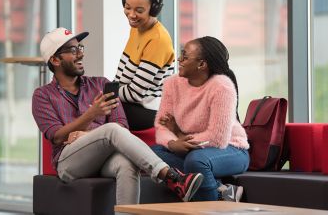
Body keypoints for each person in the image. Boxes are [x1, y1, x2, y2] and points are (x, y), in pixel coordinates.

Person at [31, 27, 203, 205]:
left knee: (127, 164)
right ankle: (170, 176)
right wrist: (91, 114)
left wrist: (88, 136)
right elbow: (57, 137)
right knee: (110, 130)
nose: (80, 54)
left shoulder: (101, 84)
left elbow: (121, 126)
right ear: (55, 60)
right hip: (68, 163)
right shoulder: (42, 96)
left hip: (103, 157)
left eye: (80, 48)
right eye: (72, 50)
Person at [151, 36, 250, 202]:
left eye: (185, 56)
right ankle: (220, 190)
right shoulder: (172, 84)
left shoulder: (221, 86)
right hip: (192, 149)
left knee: (196, 160)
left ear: (202, 64)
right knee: (150, 154)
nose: (179, 59)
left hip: (231, 149)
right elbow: (161, 125)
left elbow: (217, 138)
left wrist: (181, 138)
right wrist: (172, 143)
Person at [114, 0, 175, 131]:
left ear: (154, 9)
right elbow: (121, 77)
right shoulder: (136, 29)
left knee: (95, 112)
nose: (131, 15)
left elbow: (135, 94)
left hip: (150, 109)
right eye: (127, 7)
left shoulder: (158, 39)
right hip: (132, 104)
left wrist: (107, 93)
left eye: (139, 11)